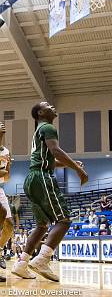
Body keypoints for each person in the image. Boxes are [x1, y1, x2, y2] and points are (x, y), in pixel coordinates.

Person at [12, 102, 88, 281]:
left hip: (31, 178)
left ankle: (21, 263)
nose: (52, 106)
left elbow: (49, 158)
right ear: (40, 113)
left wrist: (73, 164)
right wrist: (78, 170)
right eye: (47, 105)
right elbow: (55, 150)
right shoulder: (47, 127)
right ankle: (42, 259)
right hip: (42, 177)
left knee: (41, 225)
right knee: (64, 219)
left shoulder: (38, 130)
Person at [0, 122, 14, 282]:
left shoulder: (6, 151)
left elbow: (6, 177)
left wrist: (8, 165)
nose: (2, 124)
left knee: (9, 224)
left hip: (0, 189)